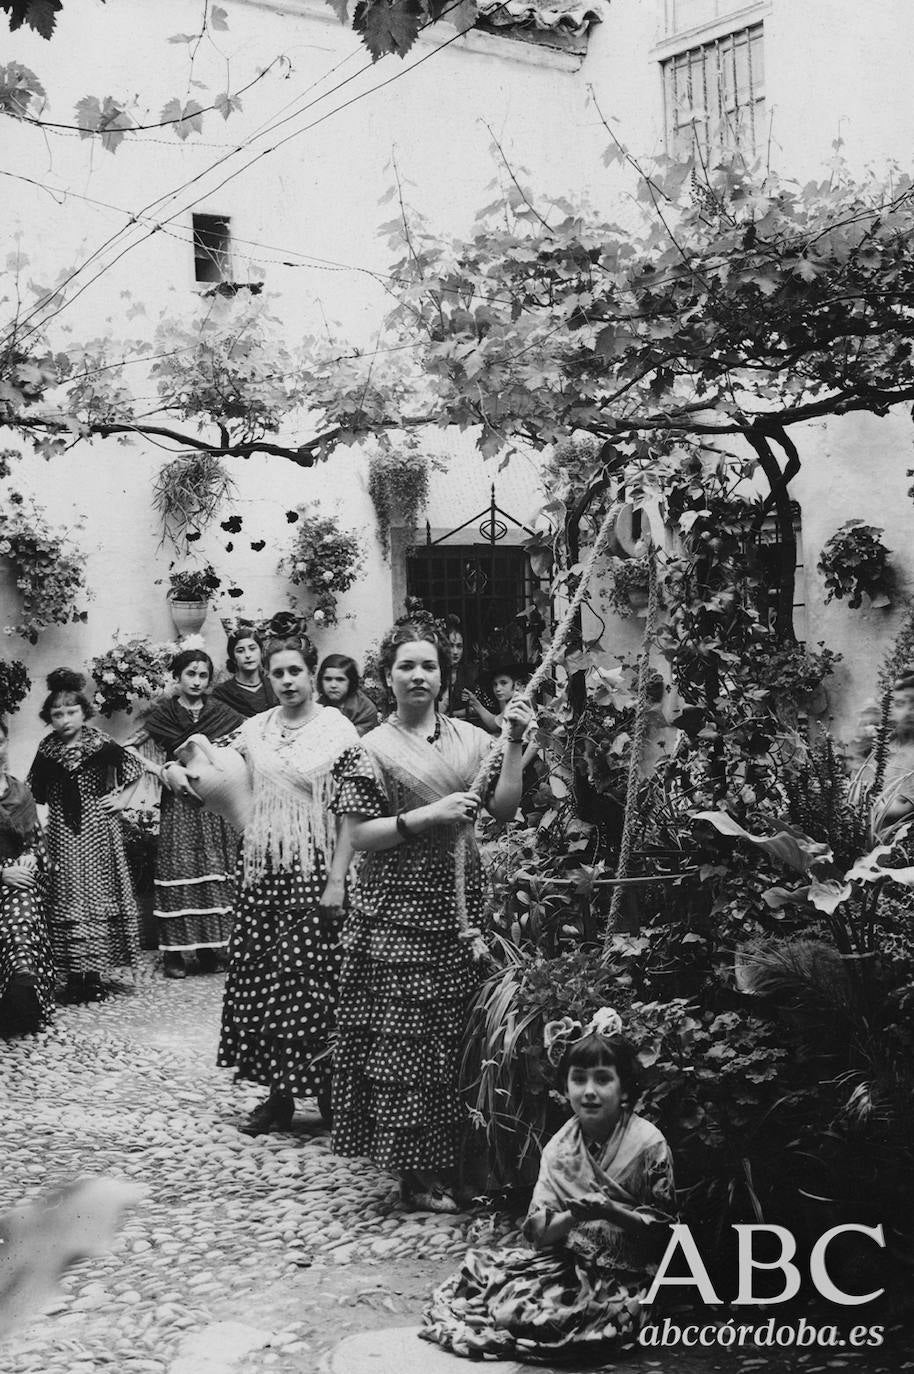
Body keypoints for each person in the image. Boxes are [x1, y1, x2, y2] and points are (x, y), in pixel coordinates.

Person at [331, 617, 533, 1212]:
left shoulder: (474, 739)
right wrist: (427, 816)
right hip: (395, 915)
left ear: (445, 676)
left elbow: (500, 808)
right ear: (386, 677)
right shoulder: (367, 749)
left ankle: (460, 1157)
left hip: (461, 909)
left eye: (430, 666)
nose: (419, 675)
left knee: (456, 1035)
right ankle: (416, 1174)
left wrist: (515, 741)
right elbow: (358, 837)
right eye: (406, 666)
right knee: (408, 1041)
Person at [422, 1009, 676, 1362]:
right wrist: (572, 1216)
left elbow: (666, 1233)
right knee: (509, 1306)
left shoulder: (648, 1143)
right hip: (568, 1265)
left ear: (623, 1090)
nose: (589, 1091)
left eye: (603, 1079)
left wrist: (613, 1212)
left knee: (575, 1323)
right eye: (579, 1079)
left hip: (628, 1275)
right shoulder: (560, 1147)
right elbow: (538, 1236)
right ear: (565, 1087)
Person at [211, 632, 360, 1134]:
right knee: (265, 980)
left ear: (313, 675)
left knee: (315, 983)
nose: (287, 681)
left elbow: (352, 812)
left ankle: (331, 1093)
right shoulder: (254, 729)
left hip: (315, 869)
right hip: (264, 871)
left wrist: (337, 880)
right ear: (267, 678)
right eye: (278, 673)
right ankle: (278, 1096)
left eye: (296, 671)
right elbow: (220, 771)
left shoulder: (337, 730)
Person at [27, 669, 142, 1004]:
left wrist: (120, 800)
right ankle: (74, 974)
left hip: (97, 832)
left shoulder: (99, 743)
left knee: (95, 893)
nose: (65, 719)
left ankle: (94, 975)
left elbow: (133, 769)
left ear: (84, 712)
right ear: (48, 718)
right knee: (67, 892)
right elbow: (37, 792)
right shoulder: (47, 749)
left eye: (71, 712)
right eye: (57, 714)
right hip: (63, 833)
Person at [142, 649, 243, 979]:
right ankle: (174, 953)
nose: (197, 681)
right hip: (180, 803)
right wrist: (162, 771)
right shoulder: (164, 715)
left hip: (213, 801)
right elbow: (129, 748)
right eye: (190, 674)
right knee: (180, 868)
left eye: (203, 675)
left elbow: (239, 743)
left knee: (214, 868)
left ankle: (208, 948)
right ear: (177, 677)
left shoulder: (221, 713)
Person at [0, 718, 54, 1032]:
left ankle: (22, 989)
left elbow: (36, 843)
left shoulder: (21, 792)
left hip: (16, 878)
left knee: (23, 901)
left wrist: (30, 859)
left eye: (0, 741)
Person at [211, 626, 278, 719]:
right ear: (233, 657)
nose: (248, 655)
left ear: (261, 652)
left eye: (252, 648)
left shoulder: (275, 686)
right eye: (240, 651)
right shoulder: (222, 694)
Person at [316, 654, 380, 736]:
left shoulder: (366, 710)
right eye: (328, 679)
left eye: (340, 679)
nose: (333, 685)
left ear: (351, 682)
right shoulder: (318, 706)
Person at [441, 617, 478, 720]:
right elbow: (437, 711)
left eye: (459, 646)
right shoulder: (437, 672)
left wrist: (451, 714)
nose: (455, 651)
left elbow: (475, 707)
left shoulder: (469, 672)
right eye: (451, 646)